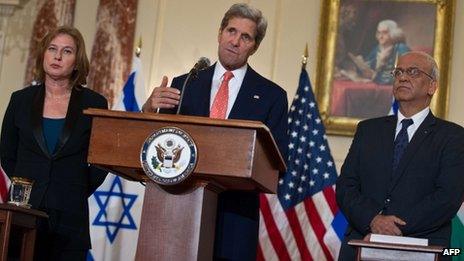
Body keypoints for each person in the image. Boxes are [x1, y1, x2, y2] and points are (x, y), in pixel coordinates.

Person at [142, 3, 288, 260]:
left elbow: (277, 163)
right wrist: (149, 108)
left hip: (236, 218)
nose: (235, 41)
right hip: (179, 209)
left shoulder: (271, 96)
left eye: (246, 37)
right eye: (231, 31)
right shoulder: (185, 84)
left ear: (255, 46)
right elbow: (156, 140)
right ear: (220, 33)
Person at [336, 51, 464, 260]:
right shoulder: (368, 130)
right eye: (398, 72)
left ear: (432, 86)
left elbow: (447, 198)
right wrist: (373, 220)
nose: (403, 77)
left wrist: (391, 228)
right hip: (362, 242)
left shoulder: (453, 136)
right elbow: (346, 186)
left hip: (423, 248)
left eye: (413, 72)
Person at [0, 26, 108, 260]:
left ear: (77, 62)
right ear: (44, 55)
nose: (57, 56)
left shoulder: (95, 103)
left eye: (67, 51)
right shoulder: (20, 100)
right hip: (23, 212)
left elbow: (101, 161)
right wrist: (26, 185)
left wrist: (76, 187)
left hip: (70, 216)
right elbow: (7, 153)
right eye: (52, 49)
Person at [347, 20, 410, 84]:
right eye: (379, 33)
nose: (380, 36)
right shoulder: (377, 49)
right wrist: (360, 64)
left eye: (384, 33)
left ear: (394, 33)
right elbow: (368, 67)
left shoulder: (401, 48)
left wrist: (375, 76)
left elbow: (403, 74)